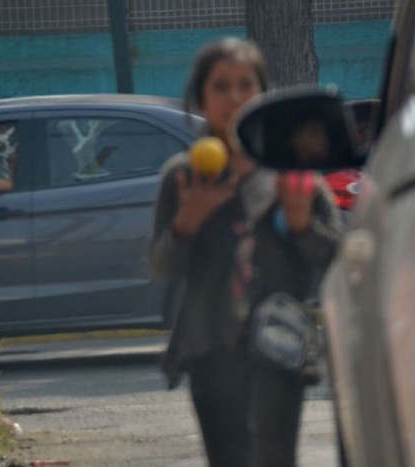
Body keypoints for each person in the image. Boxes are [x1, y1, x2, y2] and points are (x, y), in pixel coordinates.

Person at [149, 38, 342, 467]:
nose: (234, 97)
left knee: (276, 460)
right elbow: (162, 266)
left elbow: (334, 257)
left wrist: (300, 224)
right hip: (210, 352)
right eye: (221, 86)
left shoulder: (292, 172)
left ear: (262, 93)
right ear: (201, 97)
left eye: (245, 85)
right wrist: (188, 222)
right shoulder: (183, 178)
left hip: (280, 350)